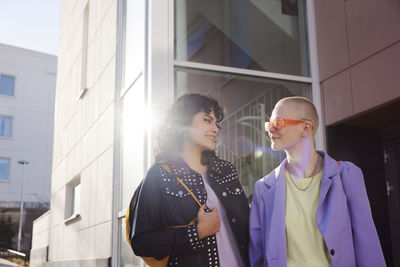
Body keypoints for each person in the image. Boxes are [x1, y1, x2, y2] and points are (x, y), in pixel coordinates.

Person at [249, 97, 386, 267]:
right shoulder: (263, 188)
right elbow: (258, 255)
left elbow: (367, 243)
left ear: (305, 128)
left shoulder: (347, 175)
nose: (270, 129)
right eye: (268, 124)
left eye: (277, 122)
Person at [131, 94, 250, 267]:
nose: (215, 129)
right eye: (207, 120)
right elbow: (142, 243)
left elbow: (247, 226)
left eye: (216, 123)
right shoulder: (159, 175)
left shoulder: (226, 170)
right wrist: (197, 232)